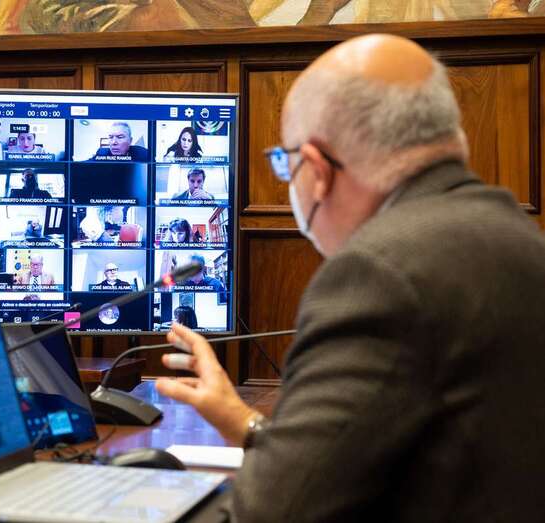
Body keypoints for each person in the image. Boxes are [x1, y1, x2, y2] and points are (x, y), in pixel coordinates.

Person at [154, 34, 545, 521]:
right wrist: (244, 424)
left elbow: (273, 514)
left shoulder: (378, 271)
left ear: (317, 170)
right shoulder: (513, 232)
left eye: (286, 164)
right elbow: (378, 458)